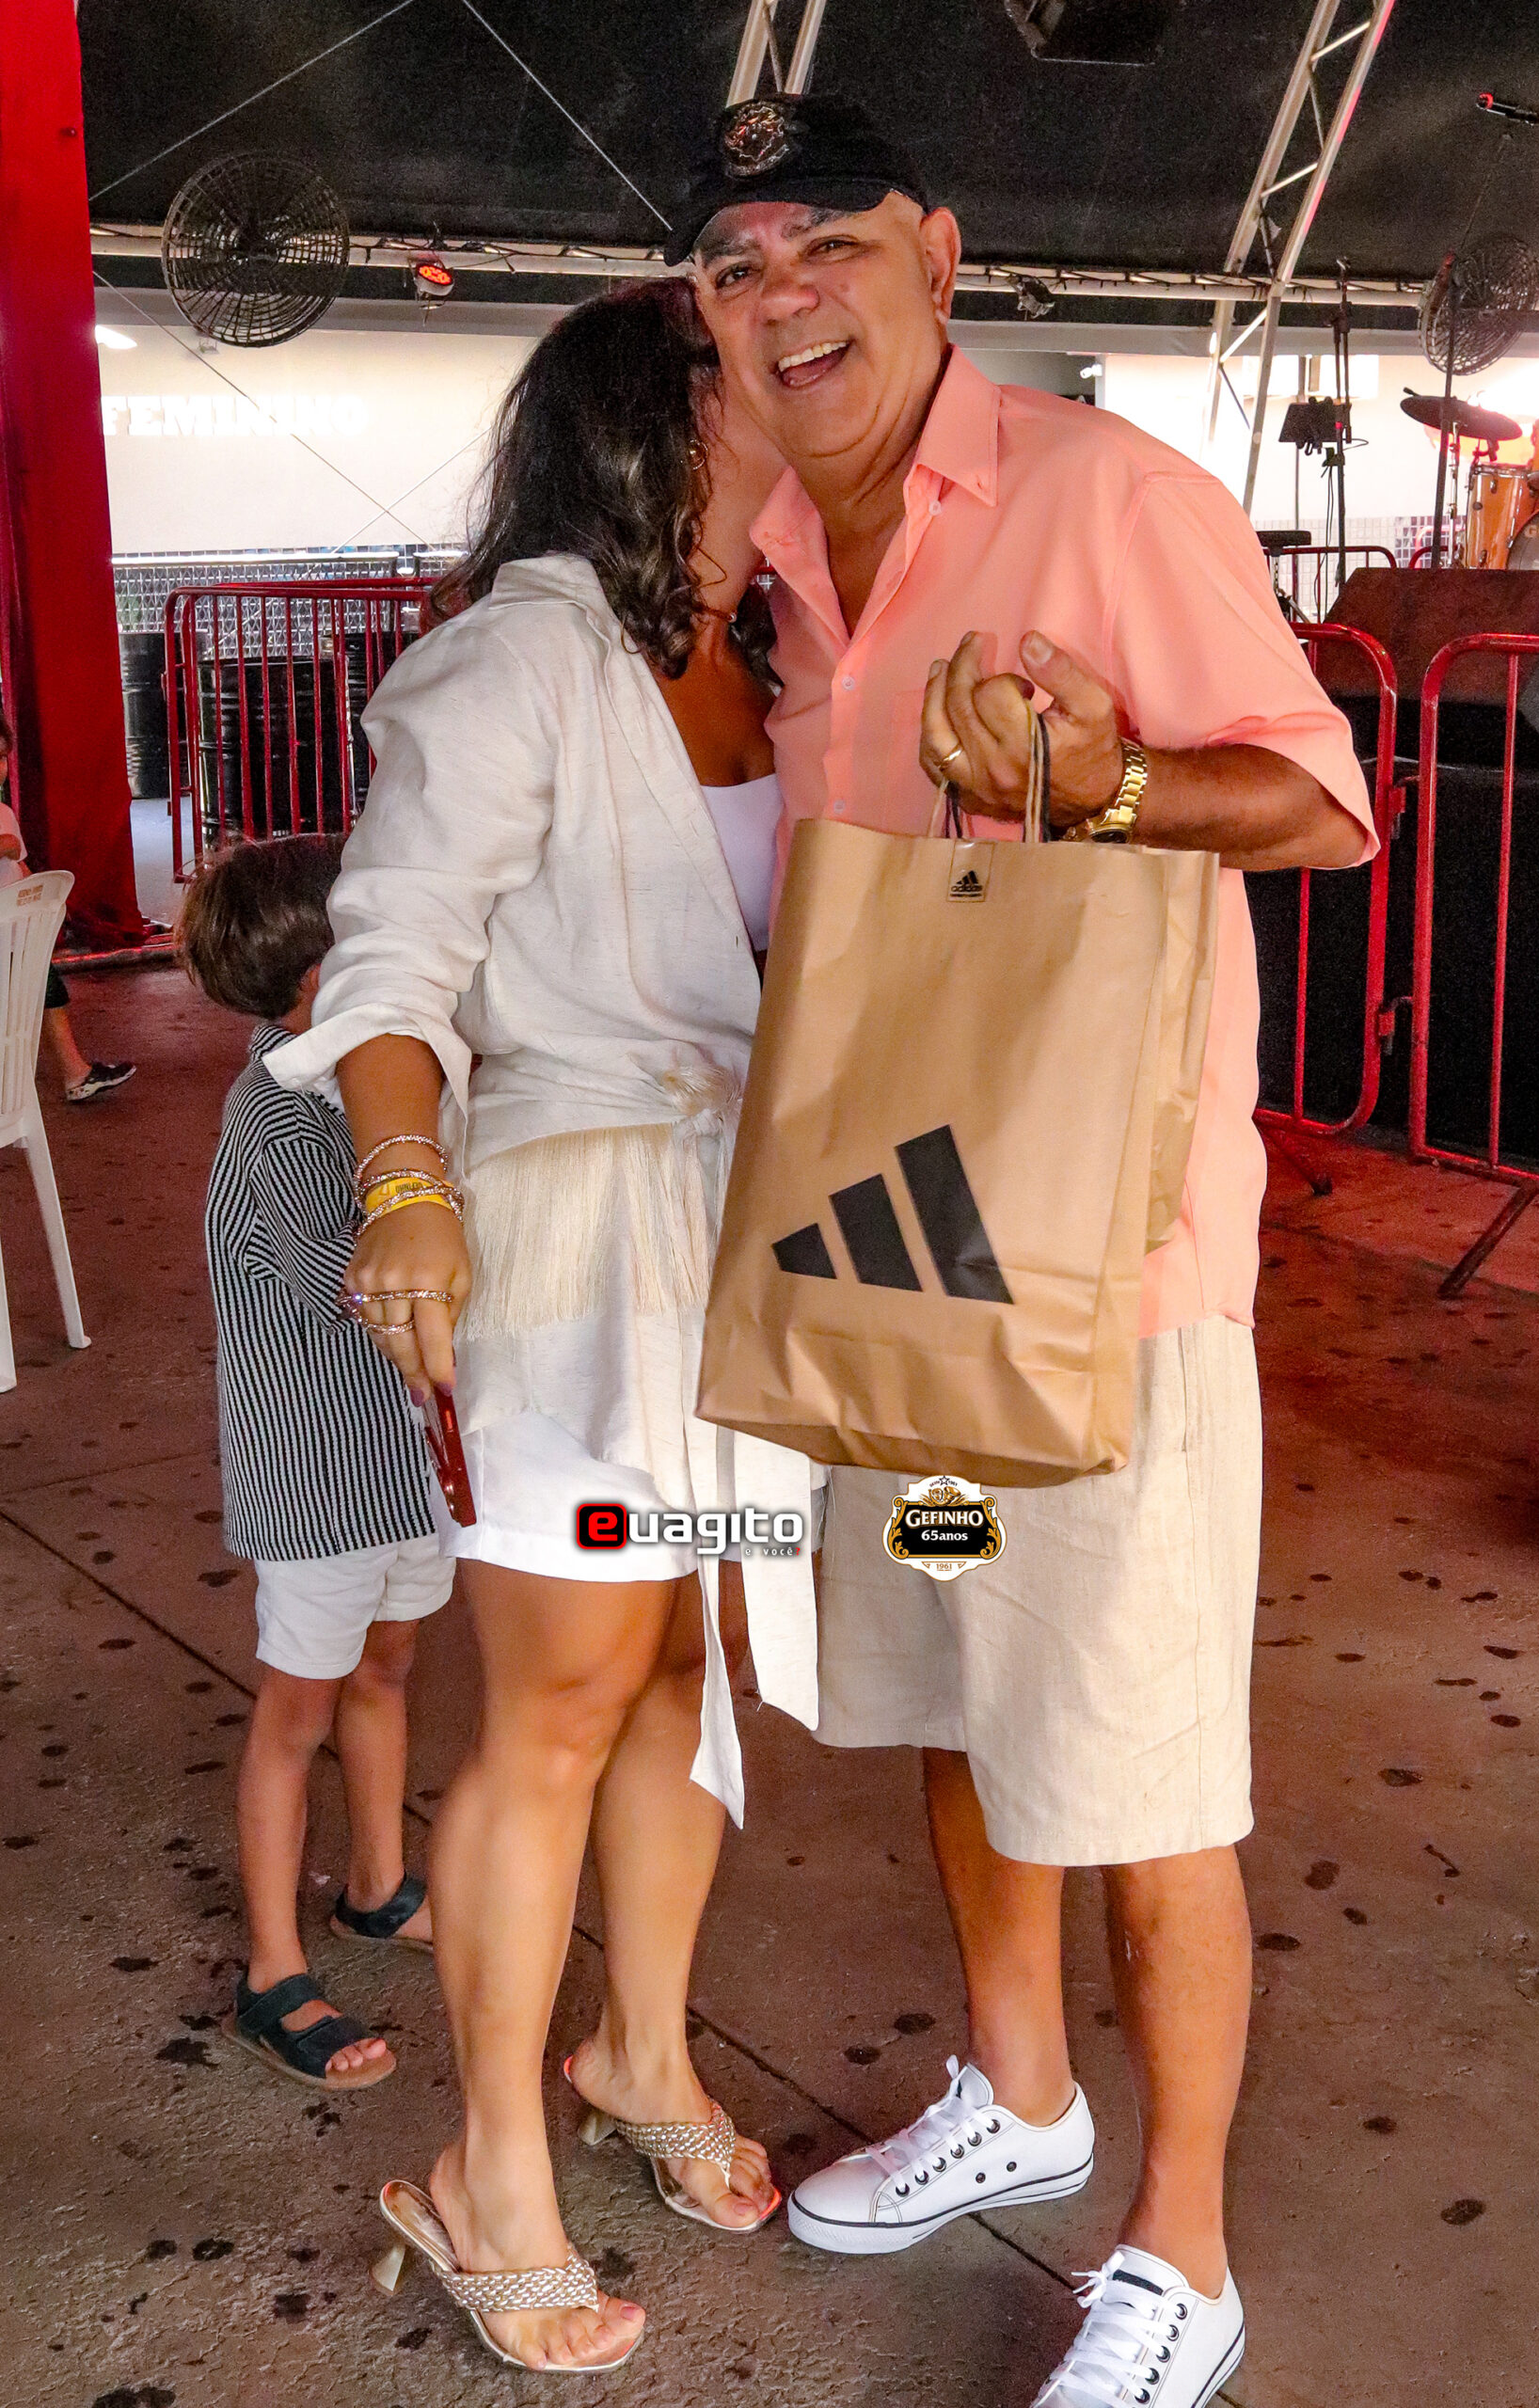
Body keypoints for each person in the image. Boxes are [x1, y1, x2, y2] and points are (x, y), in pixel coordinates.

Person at [678, 94, 1375, 2408]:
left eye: (825, 242)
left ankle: (1180, 2247)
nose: (781, 294)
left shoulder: (1104, 497)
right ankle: (1018, 2085)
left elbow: (1320, 802)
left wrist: (1107, 780)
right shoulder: (772, 551)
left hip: (1105, 1300)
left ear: (938, 253)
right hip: (894, 1299)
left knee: (1138, 1766)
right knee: (962, 1695)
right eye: (732, 266)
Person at [270, 282, 818, 2375]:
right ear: (656, 422)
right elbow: (390, 952)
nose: (792, 376)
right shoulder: (516, 653)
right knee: (564, 1700)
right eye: (741, 365)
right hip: (577, 1248)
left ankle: (636, 2049)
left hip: (726, 1243)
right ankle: (486, 2163)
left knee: (684, 1667)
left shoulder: (764, 656)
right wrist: (403, 1186)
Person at [179, 835, 451, 2094]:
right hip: (319, 1480)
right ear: (316, 978)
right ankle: (271, 1969)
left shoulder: (358, 1086)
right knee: (295, 1717)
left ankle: (377, 1887)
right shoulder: (282, 1117)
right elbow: (362, 1283)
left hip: (403, 1466)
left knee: (385, 1672)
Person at [0, 704, 135, 1102]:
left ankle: (75, 1073)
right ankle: (72, 1074)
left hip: (16, 934)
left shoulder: (5, 813)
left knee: (48, 989)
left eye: (2, 758)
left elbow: (21, 869)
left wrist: (47, 903)